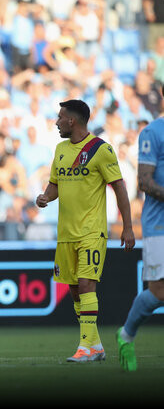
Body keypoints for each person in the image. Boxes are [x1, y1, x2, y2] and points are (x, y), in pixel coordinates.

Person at [36, 99, 135, 363]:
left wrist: (127, 226)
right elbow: (55, 185)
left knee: (86, 284)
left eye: (60, 118)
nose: (56, 122)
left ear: (72, 121)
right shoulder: (59, 149)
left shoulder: (101, 150)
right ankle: (95, 345)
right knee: (74, 289)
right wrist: (45, 197)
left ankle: (86, 347)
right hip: (66, 232)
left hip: (92, 231)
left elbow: (120, 188)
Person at [117, 103, 164, 372]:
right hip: (160, 224)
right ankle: (126, 336)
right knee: (159, 292)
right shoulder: (153, 132)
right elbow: (144, 181)